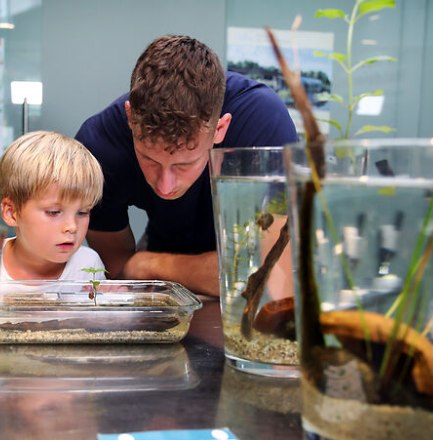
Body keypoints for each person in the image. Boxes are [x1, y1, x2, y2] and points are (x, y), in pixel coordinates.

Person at [75, 34, 297, 296]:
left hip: (184, 262)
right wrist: (138, 268)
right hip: (164, 253)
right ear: (129, 117)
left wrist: (148, 265)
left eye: (184, 164)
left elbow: (270, 271)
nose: (165, 186)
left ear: (220, 128)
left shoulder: (261, 124)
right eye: (149, 159)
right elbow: (121, 272)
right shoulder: (100, 146)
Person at [0, 130, 106, 285]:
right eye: (54, 212)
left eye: (82, 212)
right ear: (12, 212)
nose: (72, 227)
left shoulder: (88, 265)